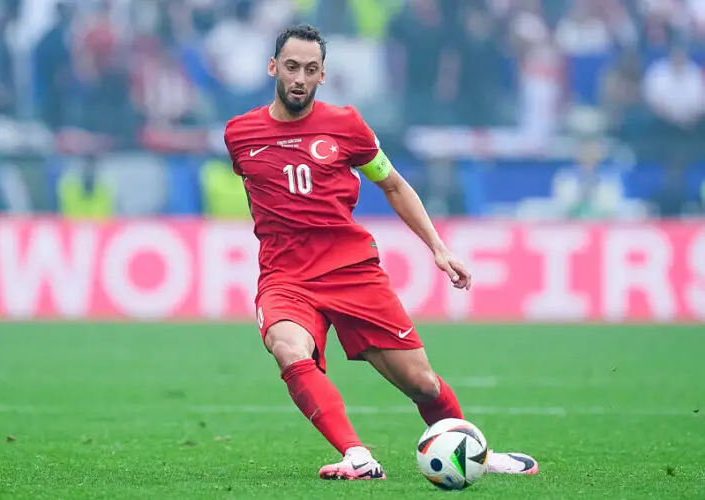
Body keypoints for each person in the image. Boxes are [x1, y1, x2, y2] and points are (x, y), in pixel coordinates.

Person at [223, 24, 538, 481]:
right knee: (288, 348)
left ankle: (478, 455)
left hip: (351, 271)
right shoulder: (241, 134)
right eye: (291, 67)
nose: (299, 78)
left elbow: (391, 183)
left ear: (323, 76)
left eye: (311, 70)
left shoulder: (347, 125)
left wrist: (438, 248)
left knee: (422, 383)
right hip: (286, 278)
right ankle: (358, 456)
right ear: (273, 67)